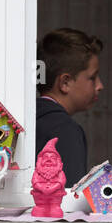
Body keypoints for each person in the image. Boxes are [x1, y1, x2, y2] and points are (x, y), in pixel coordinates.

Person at [35, 28, 105, 186]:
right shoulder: (66, 131)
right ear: (65, 83)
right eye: (92, 78)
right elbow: (69, 202)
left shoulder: (30, 119)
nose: (100, 86)